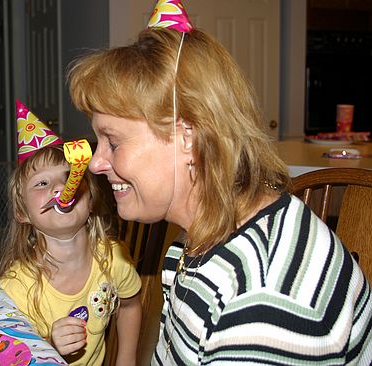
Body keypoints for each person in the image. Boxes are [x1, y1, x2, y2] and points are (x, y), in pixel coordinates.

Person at [67, 0, 372, 364]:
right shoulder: (197, 238)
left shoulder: (265, 302)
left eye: (113, 142)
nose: (97, 162)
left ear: (188, 138)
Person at [0, 101, 142, 366]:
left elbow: (130, 305)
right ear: (23, 214)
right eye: (42, 183)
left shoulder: (114, 258)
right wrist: (49, 347)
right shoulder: (15, 289)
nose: (59, 188)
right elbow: (10, 357)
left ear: (89, 201)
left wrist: (126, 357)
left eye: (68, 177)